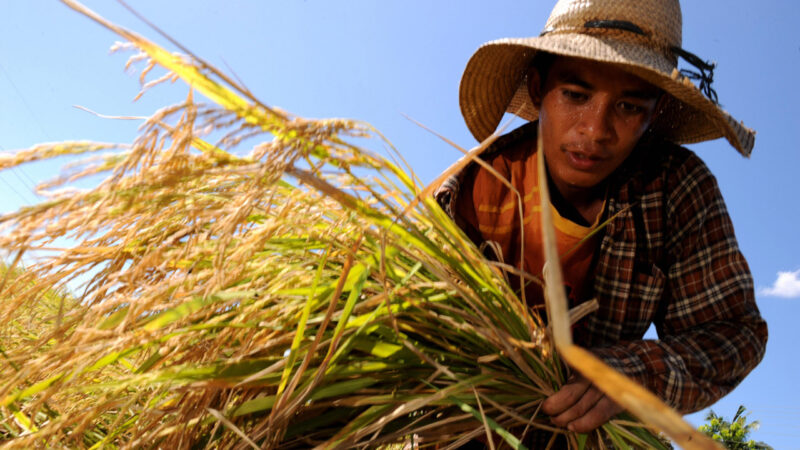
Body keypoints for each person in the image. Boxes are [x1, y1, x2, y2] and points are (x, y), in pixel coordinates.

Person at [434, 0, 768, 435]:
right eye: (575, 95)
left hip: (598, 434)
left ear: (655, 112)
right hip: (472, 425)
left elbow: (732, 334)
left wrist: (631, 372)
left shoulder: (676, 189)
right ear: (538, 88)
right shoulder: (473, 191)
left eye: (629, 107)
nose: (595, 131)